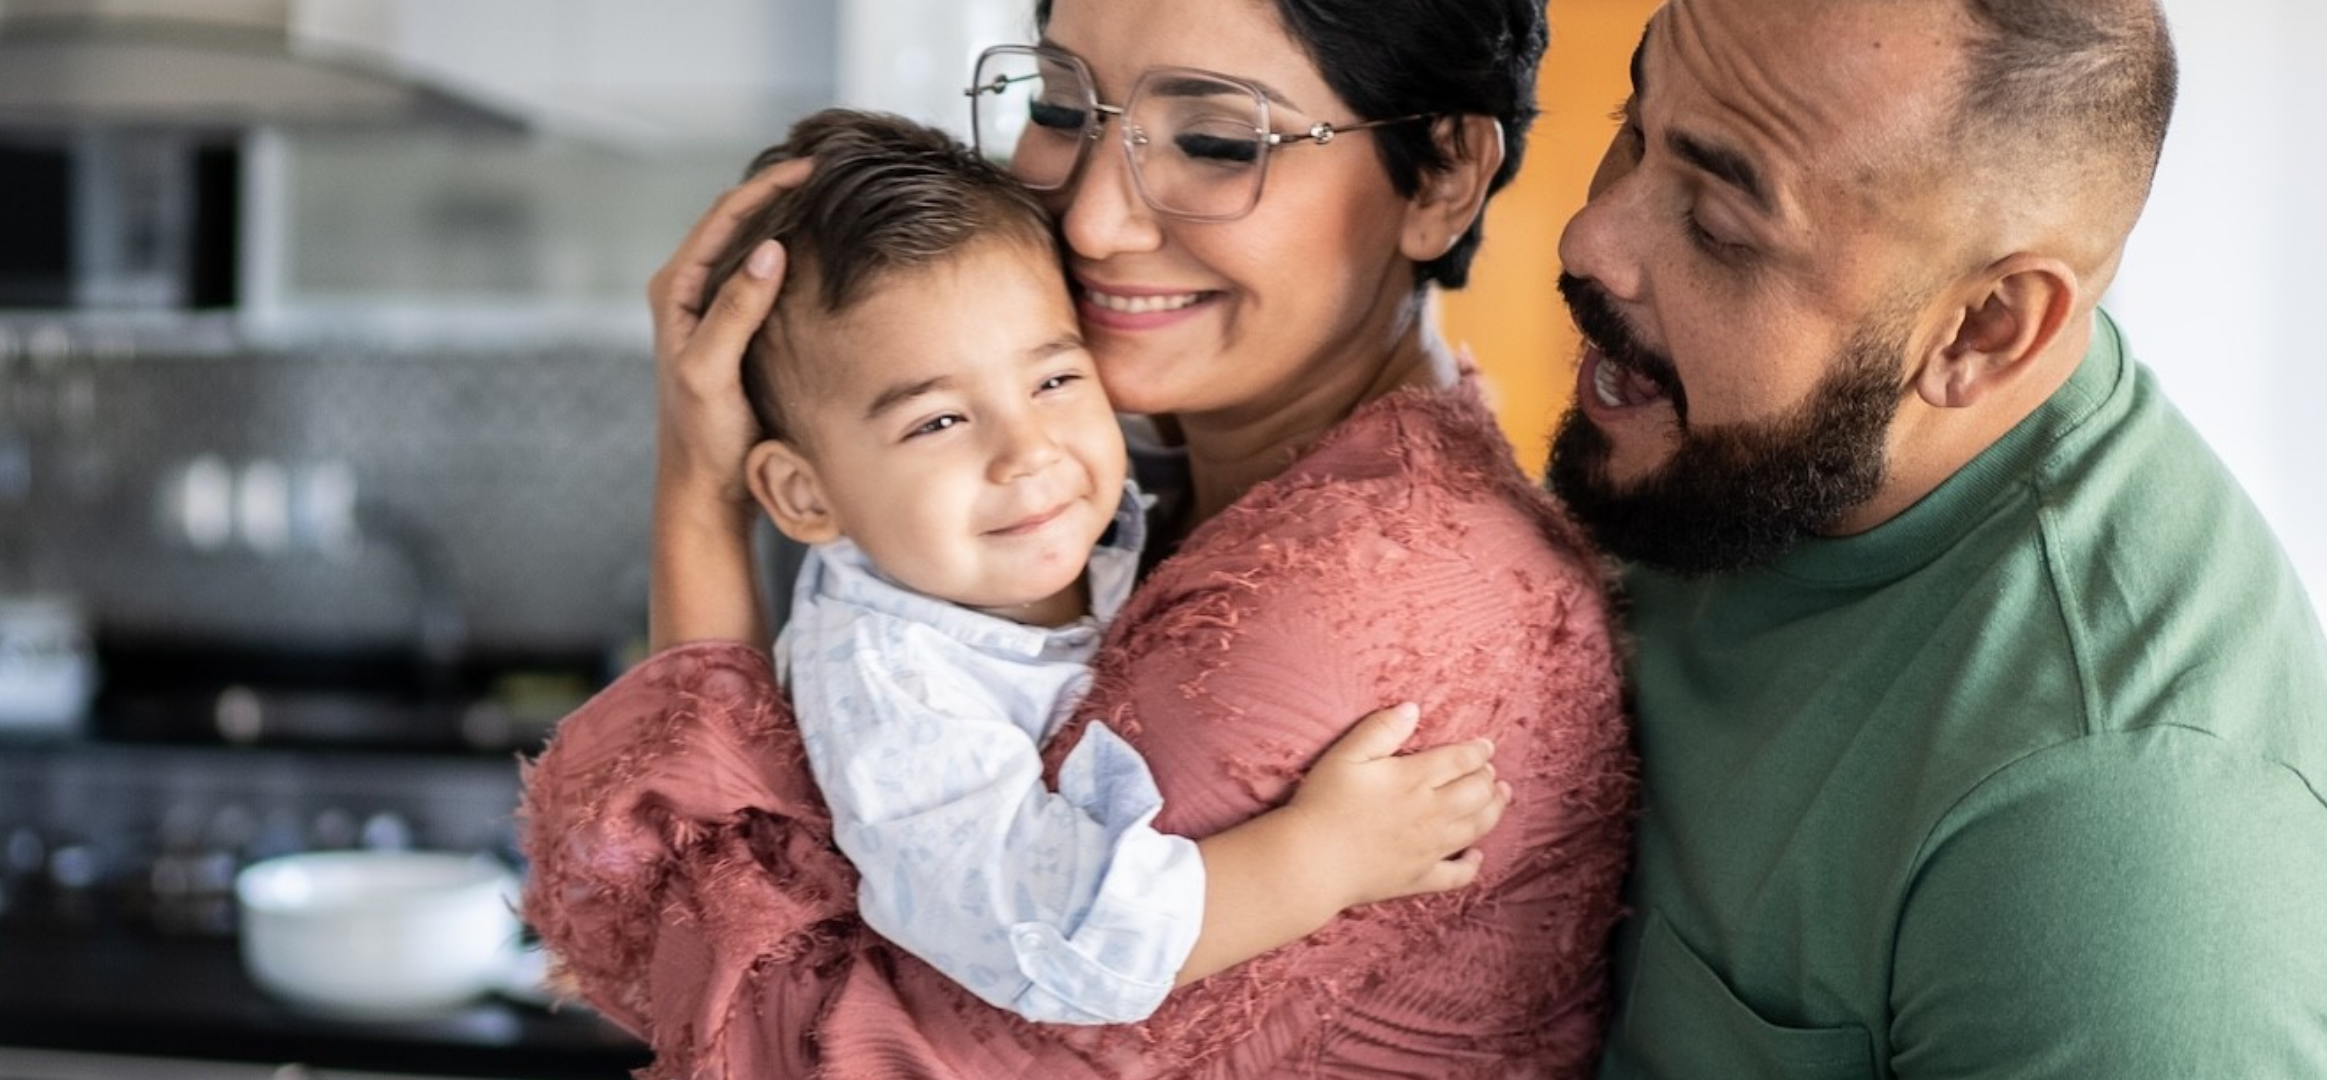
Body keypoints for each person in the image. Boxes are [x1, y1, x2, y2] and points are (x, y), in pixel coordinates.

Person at [516, 0, 1636, 1076]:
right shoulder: (1126, 503)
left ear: (1441, 175)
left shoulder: (1348, 601)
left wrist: (699, 493)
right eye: (1060, 108)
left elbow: (790, 1046)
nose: (1092, 218)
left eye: (1214, 139)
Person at [1546, 0, 2327, 1075]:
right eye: (1633, 125)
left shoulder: (2136, 866)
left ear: (1985, 328)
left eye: (1721, 226)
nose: (1591, 239)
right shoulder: (1719, 451)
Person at [694, 108, 1506, 1026]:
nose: (1028, 452)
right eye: (938, 422)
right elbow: (1054, 941)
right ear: (805, 494)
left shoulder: (1034, 517)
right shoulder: (893, 700)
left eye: (1053, 381)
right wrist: (1319, 858)